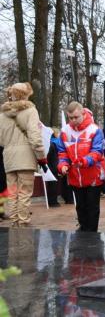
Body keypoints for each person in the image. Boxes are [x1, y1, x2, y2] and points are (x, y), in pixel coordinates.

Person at [0, 82, 46, 227]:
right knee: (25, 192)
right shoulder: (30, 111)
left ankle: (14, 222)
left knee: (12, 192)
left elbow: (1, 139)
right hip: (25, 157)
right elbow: (34, 136)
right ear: (25, 95)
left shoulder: (2, 115)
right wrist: (41, 157)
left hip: (8, 157)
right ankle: (23, 222)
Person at [57, 101, 105, 232]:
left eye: (76, 117)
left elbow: (97, 152)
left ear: (83, 114)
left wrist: (84, 161)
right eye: (70, 118)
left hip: (93, 175)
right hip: (75, 176)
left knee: (92, 206)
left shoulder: (94, 130)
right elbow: (62, 152)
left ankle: (91, 232)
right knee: (80, 206)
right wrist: (63, 165)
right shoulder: (65, 131)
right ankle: (83, 229)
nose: (73, 120)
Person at [46, 128, 61, 207]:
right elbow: (53, 157)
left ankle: (52, 200)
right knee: (53, 185)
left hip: (51, 167)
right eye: (58, 132)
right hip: (52, 167)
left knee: (52, 185)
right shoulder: (52, 144)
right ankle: (53, 201)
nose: (59, 134)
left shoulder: (50, 143)